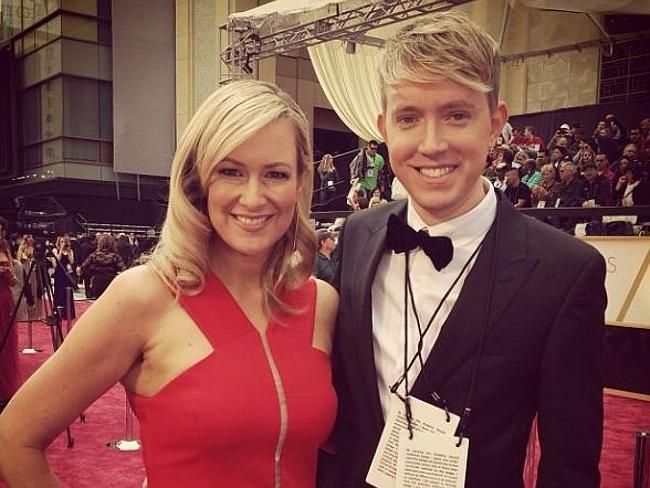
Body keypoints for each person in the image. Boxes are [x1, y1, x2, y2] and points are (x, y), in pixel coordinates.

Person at [0, 80, 338, 487]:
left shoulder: (322, 303)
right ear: (199, 180)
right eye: (230, 171)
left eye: (275, 174)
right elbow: (13, 438)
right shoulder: (144, 296)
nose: (253, 196)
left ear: (300, 182)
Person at [322, 10, 606, 488]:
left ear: (495, 124)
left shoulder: (566, 271)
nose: (432, 144)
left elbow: (570, 464)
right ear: (384, 127)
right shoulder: (358, 234)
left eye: (456, 115)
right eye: (409, 117)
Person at [0, 239, 18, 412]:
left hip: (5, 299)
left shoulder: (6, 249)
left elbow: (14, 281)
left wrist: (9, 275)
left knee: (7, 340)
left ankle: (5, 390)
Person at [81, 233, 126, 299]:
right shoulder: (115, 257)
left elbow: (84, 267)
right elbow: (124, 269)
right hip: (111, 282)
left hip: (97, 281)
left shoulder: (94, 255)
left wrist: (92, 271)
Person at [51, 235, 76, 319]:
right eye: (61, 242)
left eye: (65, 242)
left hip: (67, 274)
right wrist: (61, 250)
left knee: (67, 291)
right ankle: (58, 312)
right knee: (59, 291)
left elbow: (72, 262)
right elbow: (57, 260)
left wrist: (68, 252)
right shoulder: (55, 250)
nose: (63, 243)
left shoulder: (70, 251)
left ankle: (68, 312)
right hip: (59, 273)